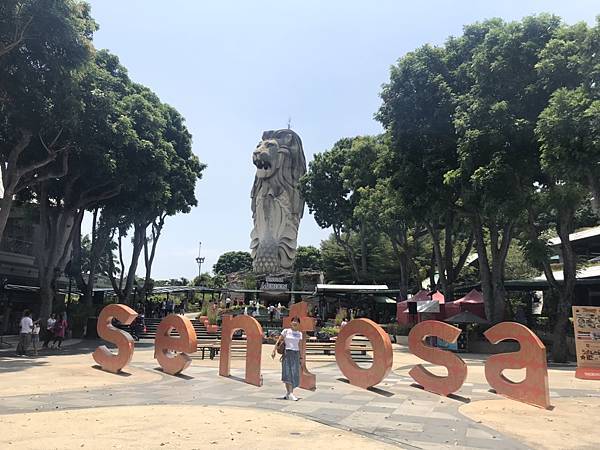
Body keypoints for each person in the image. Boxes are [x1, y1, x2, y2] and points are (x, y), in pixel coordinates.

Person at [271, 316, 302, 401]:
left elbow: (299, 345)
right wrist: (274, 350)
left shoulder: (299, 334)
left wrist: (300, 357)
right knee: (287, 373)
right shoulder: (286, 331)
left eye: (296, 321)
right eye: (293, 321)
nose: (295, 322)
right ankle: (290, 393)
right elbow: (279, 341)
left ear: (299, 323)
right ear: (291, 322)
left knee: (294, 373)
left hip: (295, 354)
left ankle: (288, 393)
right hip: (287, 353)